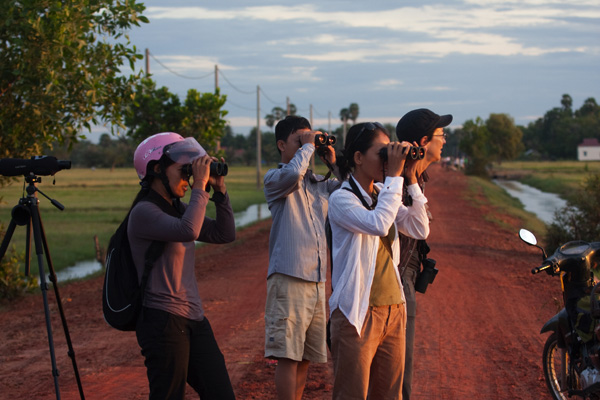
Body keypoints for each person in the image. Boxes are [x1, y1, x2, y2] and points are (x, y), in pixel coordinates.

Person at [129, 132, 236, 400]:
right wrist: (200, 186)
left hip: (193, 317)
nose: (188, 179)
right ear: (156, 169)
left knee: (221, 394)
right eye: (183, 170)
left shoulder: (177, 208)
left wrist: (219, 191)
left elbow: (224, 234)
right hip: (162, 320)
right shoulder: (144, 212)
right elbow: (189, 230)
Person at [327, 122, 430, 400]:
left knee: (389, 395)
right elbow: (379, 224)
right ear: (358, 158)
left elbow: (420, 228)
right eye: (382, 153)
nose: (388, 160)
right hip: (357, 313)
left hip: (393, 309)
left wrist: (409, 178)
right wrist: (395, 177)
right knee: (352, 394)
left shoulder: (382, 193)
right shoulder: (341, 199)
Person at [263, 115, 340, 400]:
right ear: (282, 145)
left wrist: (332, 161)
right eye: (299, 140)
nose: (308, 144)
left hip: (316, 280)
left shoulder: (319, 183)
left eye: (310, 139)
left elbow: (352, 190)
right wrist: (308, 147)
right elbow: (292, 175)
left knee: (306, 356)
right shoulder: (275, 178)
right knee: (288, 356)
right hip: (289, 278)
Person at [395, 108, 452, 400]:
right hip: (398, 277)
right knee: (398, 367)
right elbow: (417, 230)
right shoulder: (401, 182)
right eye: (441, 135)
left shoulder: (418, 176)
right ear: (424, 141)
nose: (445, 141)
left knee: (403, 363)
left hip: (407, 273)